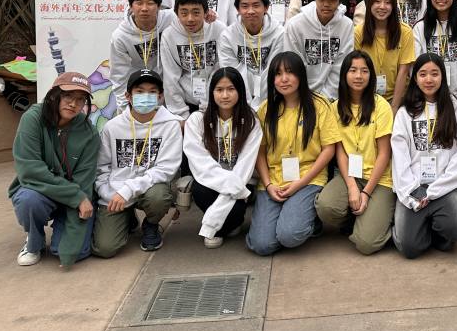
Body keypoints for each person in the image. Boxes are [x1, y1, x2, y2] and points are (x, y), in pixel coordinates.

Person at [246, 52, 341, 256]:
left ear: (301, 75)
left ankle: (310, 220)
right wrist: (269, 185)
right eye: (278, 74)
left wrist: (299, 183)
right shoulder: (265, 109)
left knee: (290, 236)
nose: (284, 79)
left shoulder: (319, 105)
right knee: (262, 245)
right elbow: (259, 153)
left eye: (290, 72)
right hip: (274, 180)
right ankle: (283, 218)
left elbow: (328, 149)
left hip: (309, 177)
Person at [9, 72, 98, 267]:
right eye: (68, 96)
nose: (73, 104)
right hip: (41, 191)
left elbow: (84, 181)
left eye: (80, 99)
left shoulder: (89, 132)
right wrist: (77, 197)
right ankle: (35, 241)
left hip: (74, 196)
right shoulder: (32, 118)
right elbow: (30, 170)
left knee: (70, 252)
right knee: (28, 199)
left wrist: (79, 199)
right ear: (53, 95)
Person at [390, 53, 457, 259]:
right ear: (415, 78)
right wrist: (412, 191)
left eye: (434, 74)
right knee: (409, 248)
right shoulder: (405, 113)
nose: (429, 79)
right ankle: (420, 226)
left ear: (443, 77)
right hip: (414, 187)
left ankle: (438, 229)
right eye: (423, 74)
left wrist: (435, 190)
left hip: (445, 186)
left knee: (456, 231)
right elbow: (399, 158)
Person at [92, 69, 182, 257]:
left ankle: (151, 224)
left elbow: (166, 169)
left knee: (159, 197)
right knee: (105, 249)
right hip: (116, 191)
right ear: (128, 96)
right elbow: (102, 168)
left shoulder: (170, 125)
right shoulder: (112, 127)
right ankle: (127, 218)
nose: (146, 97)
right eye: (140, 92)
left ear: (160, 97)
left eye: (152, 92)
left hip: (150, 188)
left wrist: (128, 190)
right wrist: (108, 192)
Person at [315, 51, 396, 254]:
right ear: (344, 75)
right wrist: (352, 186)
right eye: (353, 70)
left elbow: (385, 154)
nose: (358, 76)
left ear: (371, 76)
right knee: (326, 207)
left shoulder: (382, 106)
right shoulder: (334, 108)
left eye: (364, 71)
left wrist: (366, 192)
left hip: (379, 180)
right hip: (350, 175)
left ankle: (386, 217)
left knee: (366, 244)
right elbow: (339, 153)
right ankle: (359, 216)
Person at [184, 68, 263, 248]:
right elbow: (199, 163)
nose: (225, 95)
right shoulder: (197, 120)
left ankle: (218, 225)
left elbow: (245, 166)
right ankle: (226, 226)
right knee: (200, 190)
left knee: (236, 205)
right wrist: (229, 184)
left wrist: (234, 186)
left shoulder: (251, 121)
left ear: (240, 92)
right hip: (211, 181)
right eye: (219, 90)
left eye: (231, 89)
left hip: (240, 182)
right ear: (212, 93)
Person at [160, 0, 227, 119]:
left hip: (216, 102)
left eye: (196, 13)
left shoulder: (218, 30)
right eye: (184, 13)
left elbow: (221, 69)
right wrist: (180, 115)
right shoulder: (169, 35)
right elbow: (170, 78)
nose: (190, 19)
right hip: (185, 103)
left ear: (206, 12)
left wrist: (207, 106)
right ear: (176, 13)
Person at [284, 0, 354, 101]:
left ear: (339, 2)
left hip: (333, 97)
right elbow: (293, 64)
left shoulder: (346, 25)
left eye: (332, 0)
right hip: (300, 95)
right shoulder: (295, 24)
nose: (326, 4)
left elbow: (341, 65)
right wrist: (305, 97)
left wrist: (326, 98)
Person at [109, 0, 176, 110]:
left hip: (170, 87)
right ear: (130, 6)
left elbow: (192, 13)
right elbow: (119, 74)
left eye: (150, 3)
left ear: (159, 6)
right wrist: (125, 109)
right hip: (141, 92)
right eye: (139, 3)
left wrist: (208, 14)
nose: (144, 8)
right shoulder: (120, 36)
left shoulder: (171, 18)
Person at [218, 0, 284, 109]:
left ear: (266, 7)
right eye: (245, 6)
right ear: (237, 9)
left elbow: (274, 70)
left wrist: (262, 105)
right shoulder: (227, 36)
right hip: (239, 100)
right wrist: (246, 106)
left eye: (256, 5)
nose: (250, 11)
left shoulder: (279, 33)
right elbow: (232, 73)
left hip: (272, 99)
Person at [354, 0, 416, 114]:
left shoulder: (405, 32)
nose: (382, 7)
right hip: (367, 97)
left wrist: (394, 107)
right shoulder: (359, 31)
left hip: (398, 98)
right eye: (377, 1)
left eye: (387, 2)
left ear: (393, 6)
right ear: (369, 3)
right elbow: (356, 69)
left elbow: (404, 71)